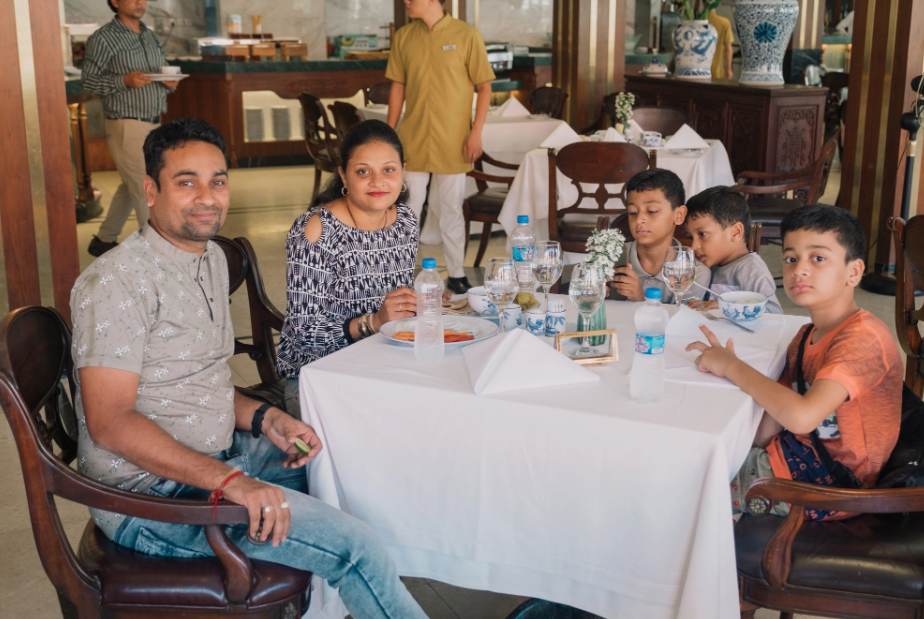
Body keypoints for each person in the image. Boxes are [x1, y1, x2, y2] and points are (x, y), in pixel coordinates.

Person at [69, 117, 428, 619]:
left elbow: (200, 382)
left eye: (217, 181)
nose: (207, 197)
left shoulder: (212, 259)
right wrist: (229, 482)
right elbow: (110, 423)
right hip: (153, 497)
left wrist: (268, 418)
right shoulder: (115, 283)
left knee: (358, 479)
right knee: (357, 547)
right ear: (150, 190)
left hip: (220, 455)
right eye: (186, 182)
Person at [687, 205, 903, 520]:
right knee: (693, 453)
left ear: (854, 272)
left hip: (833, 488)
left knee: (684, 486)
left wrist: (731, 366)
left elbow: (802, 418)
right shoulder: (805, 336)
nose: (800, 269)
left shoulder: (863, 340)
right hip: (791, 457)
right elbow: (772, 422)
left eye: (818, 258)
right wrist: (739, 446)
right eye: (791, 259)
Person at [276, 120, 420, 416]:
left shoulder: (405, 221)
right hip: (319, 375)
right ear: (343, 174)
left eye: (389, 170)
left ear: (403, 171)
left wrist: (419, 301)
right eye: (363, 171)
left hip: (384, 364)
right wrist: (373, 322)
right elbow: (303, 333)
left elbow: (393, 301)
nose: (378, 182)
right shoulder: (317, 230)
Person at [386, 0, 496, 294]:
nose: (406, 2)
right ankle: (401, 276)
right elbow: (398, 86)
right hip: (413, 138)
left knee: (451, 208)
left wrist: (476, 132)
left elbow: (484, 86)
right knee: (407, 209)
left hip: (454, 139)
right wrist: (389, 133)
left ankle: (457, 274)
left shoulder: (467, 35)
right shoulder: (404, 37)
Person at [80, 0, 179, 257]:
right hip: (125, 123)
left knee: (132, 183)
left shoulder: (150, 36)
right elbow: (88, 82)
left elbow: (161, 73)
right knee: (146, 187)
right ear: (115, 1)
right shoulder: (103, 38)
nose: (139, 2)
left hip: (153, 122)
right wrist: (123, 80)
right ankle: (157, 252)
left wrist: (169, 82)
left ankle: (104, 239)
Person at [608, 169, 710, 303]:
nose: (639, 220)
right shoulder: (611, 257)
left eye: (652, 211)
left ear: (679, 215)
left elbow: (684, 315)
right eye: (633, 212)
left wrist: (640, 298)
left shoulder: (694, 273)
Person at [684, 186, 782, 313]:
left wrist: (728, 306)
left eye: (702, 234)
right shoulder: (709, 266)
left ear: (736, 232)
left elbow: (774, 312)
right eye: (691, 237)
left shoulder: (750, 270)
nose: (694, 246)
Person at [708, 8, 734, 79]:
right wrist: (729, 69)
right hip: (717, 70)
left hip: (699, 70)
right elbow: (728, 48)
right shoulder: (724, 22)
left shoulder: (697, 21)